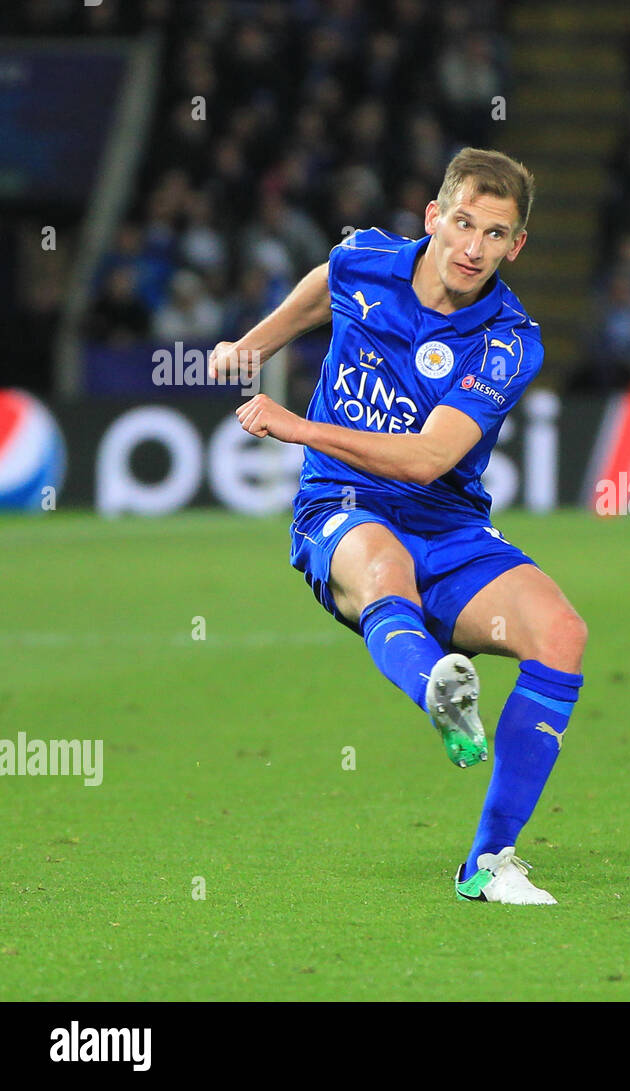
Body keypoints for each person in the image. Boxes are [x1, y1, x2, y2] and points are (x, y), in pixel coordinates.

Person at [207, 148, 586, 905]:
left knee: (561, 634)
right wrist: (257, 344)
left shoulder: (508, 340)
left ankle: (486, 863)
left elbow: (428, 458)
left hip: (444, 517)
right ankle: (439, 689)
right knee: (383, 569)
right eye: (464, 224)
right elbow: (326, 285)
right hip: (343, 505)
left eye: (496, 234)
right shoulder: (367, 259)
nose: (473, 248)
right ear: (434, 218)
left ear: (518, 247)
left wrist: (296, 425)